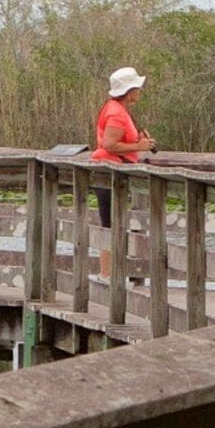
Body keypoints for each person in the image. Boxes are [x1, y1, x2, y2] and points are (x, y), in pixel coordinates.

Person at [85, 66, 150, 277]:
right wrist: (139, 147)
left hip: (111, 171)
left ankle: (108, 275)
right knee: (111, 224)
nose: (140, 91)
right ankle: (107, 276)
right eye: (137, 88)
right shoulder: (116, 113)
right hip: (109, 172)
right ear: (129, 91)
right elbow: (109, 144)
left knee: (111, 223)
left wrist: (137, 142)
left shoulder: (116, 109)